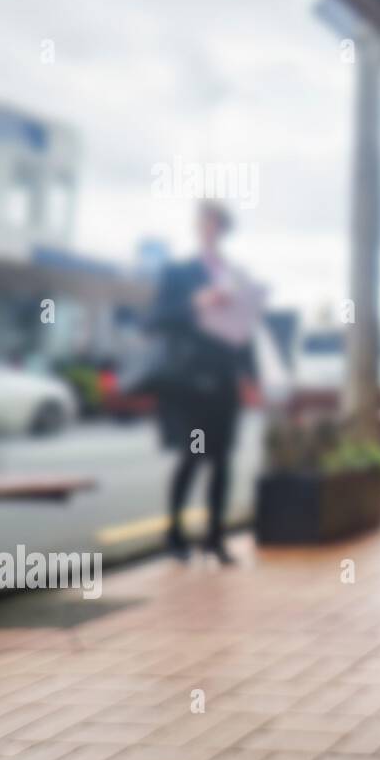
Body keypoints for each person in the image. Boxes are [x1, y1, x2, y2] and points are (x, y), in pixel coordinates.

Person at [149, 203, 260, 565]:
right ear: (198, 226)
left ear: (223, 229)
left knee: (223, 459)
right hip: (192, 377)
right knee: (192, 455)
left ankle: (215, 537)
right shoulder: (179, 273)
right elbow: (158, 319)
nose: (211, 229)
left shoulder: (235, 274)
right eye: (206, 222)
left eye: (218, 224)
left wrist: (250, 374)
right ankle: (175, 534)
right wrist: (196, 302)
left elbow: (245, 328)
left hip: (225, 375)